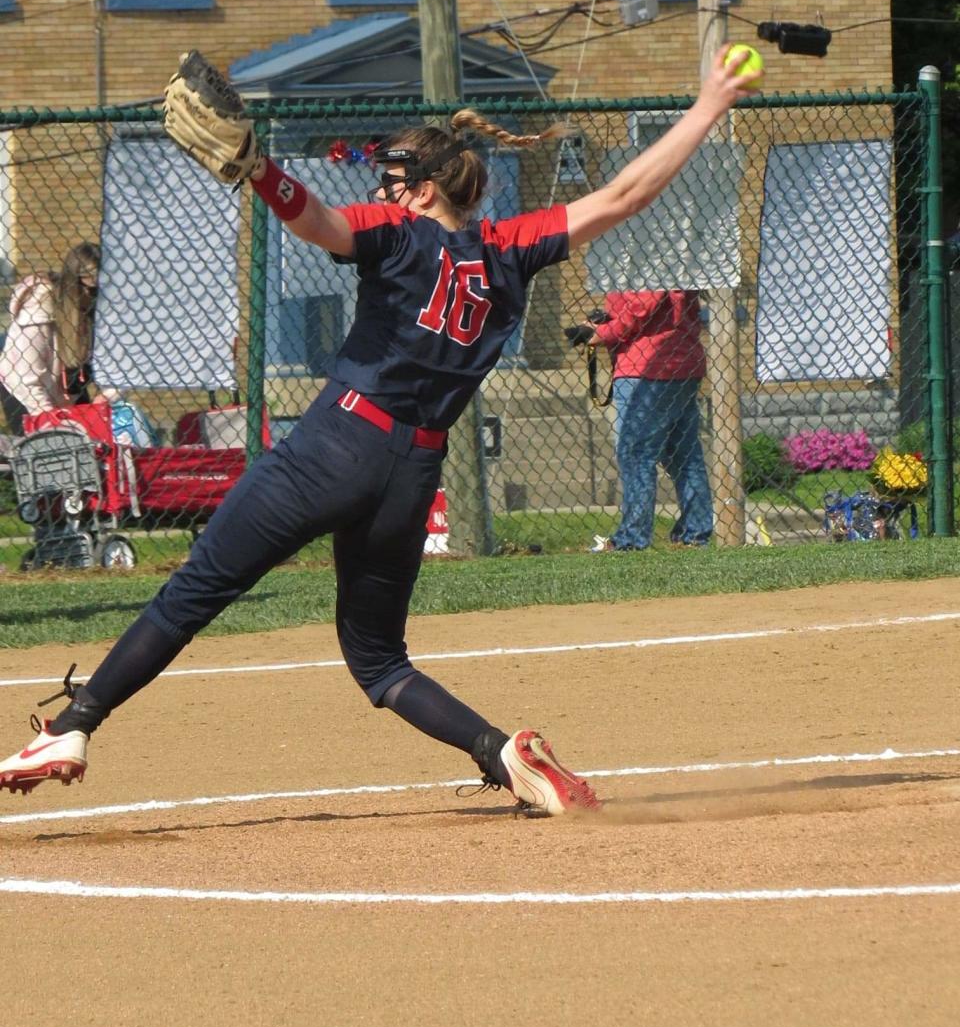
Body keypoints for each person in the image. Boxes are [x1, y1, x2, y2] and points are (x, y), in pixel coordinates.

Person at [0, 46, 759, 814]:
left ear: (425, 189)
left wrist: (262, 169)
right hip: (411, 472)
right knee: (378, 660)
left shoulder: (399, 236)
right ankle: (504, 755)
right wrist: (706, 107)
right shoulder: (508, 251)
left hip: (333, 447)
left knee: (193, 593)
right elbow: (627, 194)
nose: (382, 191)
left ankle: (74, 724)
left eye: (394, 181)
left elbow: (317, 222)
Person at [568, 288, 713, 550]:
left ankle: (632, 540)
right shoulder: (680, 255)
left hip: (646, 367)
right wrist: (605, 323)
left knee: (635, 454)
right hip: (684, 361)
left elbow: (642, 307)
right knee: (683, 455)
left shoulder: (645, 256)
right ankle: (695, 534)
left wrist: (602, 333)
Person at [0, 242, 102, 434]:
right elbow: (27, 379)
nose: (97, 299)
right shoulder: (38, 311)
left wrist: (106, 397)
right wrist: (53, 423)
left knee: (90, 451)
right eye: (93, 291)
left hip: (66, 390)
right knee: (46, 453)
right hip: (26, 391)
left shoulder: (91, 312)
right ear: (74, 284)